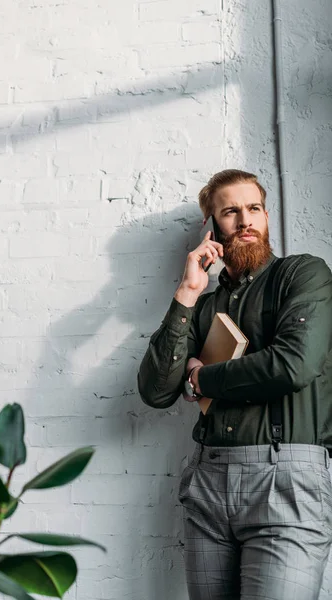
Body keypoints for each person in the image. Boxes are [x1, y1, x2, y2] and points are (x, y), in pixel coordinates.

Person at [137, 169, 332, 600]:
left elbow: (291, 365)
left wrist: (200, 377)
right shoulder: (203, 305)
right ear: (212, 227)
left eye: (254, 209)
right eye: (230, 212)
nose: (245, 220)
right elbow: (155, 391)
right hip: (208, 481)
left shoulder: (302, 275)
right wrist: (188, 292)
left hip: (286, 479)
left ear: (266, 217)